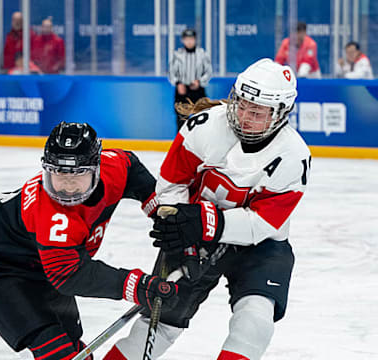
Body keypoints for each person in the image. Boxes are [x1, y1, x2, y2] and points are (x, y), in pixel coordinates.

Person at [104, 58, 311, 360]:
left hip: (259, 246)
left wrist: (205, 222)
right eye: (241, 104)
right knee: (159, 323)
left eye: (256, 111)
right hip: (192, 235)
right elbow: (170, 187)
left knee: (255, 318)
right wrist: (180, 231)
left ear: (280, 113)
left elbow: (262, 223)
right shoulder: (203, 127)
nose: (243, 116)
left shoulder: (294, 157)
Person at [0, 122, 179, 360]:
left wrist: (159, 211)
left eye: (77, 174)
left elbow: (131, 167)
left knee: (75, 347)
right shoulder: (53, 216)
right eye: (59, 174)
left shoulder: (113, 167)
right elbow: (68, 274)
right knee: (56, 350)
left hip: (40, 258)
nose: (67, 186)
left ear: (96, 169)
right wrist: (137, 286)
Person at [169, 28, 212, 130]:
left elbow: (208, 71)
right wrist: (178, 83)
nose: (189, 41)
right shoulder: (177, 55)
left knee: (202, 119)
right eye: (186, 39)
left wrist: (199, 82)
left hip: (198, 91)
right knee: (181, 120)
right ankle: (182, 145)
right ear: (183, 40)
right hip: (182, 92)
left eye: (191, 39)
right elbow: (171, 72)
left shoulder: (202, 54)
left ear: (195, 40)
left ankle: (200, 144)